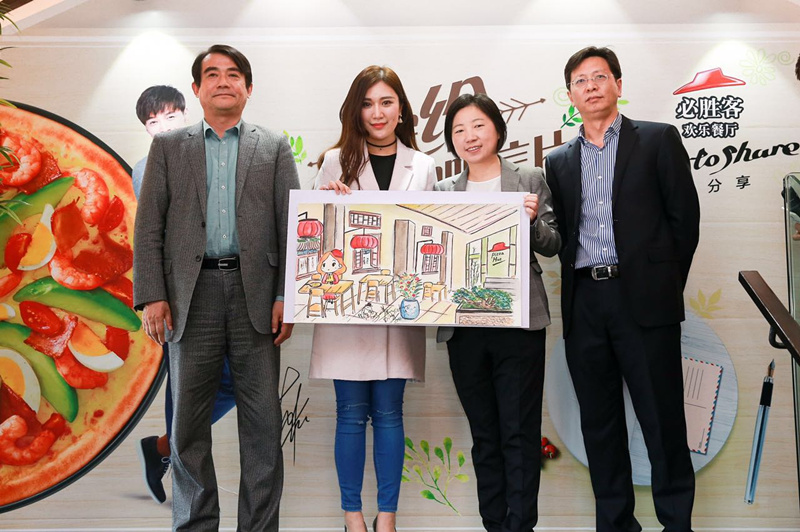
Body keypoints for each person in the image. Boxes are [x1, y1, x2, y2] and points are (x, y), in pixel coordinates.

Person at [133, 44, 298, 531]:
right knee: (187, 427)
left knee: (263, 427)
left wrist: (286, 296)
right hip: (190, 297)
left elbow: (292, 228)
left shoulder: (273, 146)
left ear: (248, 88)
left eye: (233, 74)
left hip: (257, 298)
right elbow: (149, 227)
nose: (223, 81)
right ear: (197, 89)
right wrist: (152, 294)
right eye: (212, 74)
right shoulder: (168, 147)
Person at [545, 46, 700, 532]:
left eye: (599, 77)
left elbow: (685, 222)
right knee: (600, 424)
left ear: (617, 84)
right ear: (570, 95)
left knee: (662, 420)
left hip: (645, 302)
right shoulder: (558, 161)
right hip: (585, 302)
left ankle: (676, 523)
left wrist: (663, 286)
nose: (590, 86)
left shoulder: (657, 139)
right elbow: (562, 234)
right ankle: (615, 525)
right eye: (580, 81)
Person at [310, 65, 436, 532]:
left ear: (401, 109)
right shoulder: (334, 161)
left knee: (389, 414)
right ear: (355, 111)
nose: (377, 112)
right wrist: (326, 202)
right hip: (346, 310)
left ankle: (387, 517)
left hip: (400, 309)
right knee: (348, 415)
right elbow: (313, 237)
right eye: (367, 103)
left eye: (386, 102)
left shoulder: (423, 165)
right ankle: (352, 516)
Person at [434, 93, 560, 532]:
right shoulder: (444, 191)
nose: (469, 136)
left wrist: (532, 221)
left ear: (498, 131)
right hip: (464, 327)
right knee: (485, 436)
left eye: (478, 126)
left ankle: (520, 525)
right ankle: (494, 524)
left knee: (519, 433)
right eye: (458, 130)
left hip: (519, 325)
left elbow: (553, 243)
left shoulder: (530, 178)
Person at [131, 84, 237, 505]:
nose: (162, 127)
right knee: (184, 385)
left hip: (225, 288)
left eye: (170, 117)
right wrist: (153, 297)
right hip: (178, 295)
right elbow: (151, 237)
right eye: (152, 122)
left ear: (186, 115)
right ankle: (182, 477)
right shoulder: (146, 168)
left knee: (231, 382)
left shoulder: (218, 155)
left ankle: (162, 447)